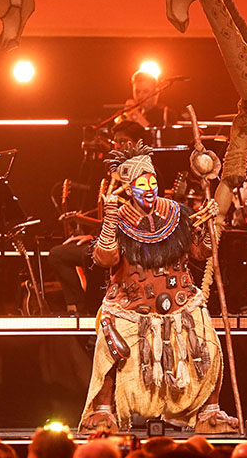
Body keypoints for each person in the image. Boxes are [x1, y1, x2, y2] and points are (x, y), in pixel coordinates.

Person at [77, 142, 237, 434]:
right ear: (128, 186)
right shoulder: (119, 217)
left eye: (152, 181)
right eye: (141, 183)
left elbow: (202, 254)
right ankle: (103, 412)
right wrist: (110, 217)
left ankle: (208, 412)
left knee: (209, 347)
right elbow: (105, 258)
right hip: (131, 305)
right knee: (109, 352)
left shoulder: (177, 213)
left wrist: (209, 227)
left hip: (180, 300)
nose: (149, 188)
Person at [49, 121, 151, 315]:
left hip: (132, 244)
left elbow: (139, 219)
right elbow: (108, 216)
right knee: (57, 255)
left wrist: (95, 233)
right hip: (108, 241)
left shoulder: (147, 175)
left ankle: (96, 309)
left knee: (93, 258)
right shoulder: (114, 172)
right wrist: (92, 235)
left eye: (124, 142)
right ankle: (77, 309)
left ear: (138, 143)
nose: (118, 146)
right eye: (116, 142)